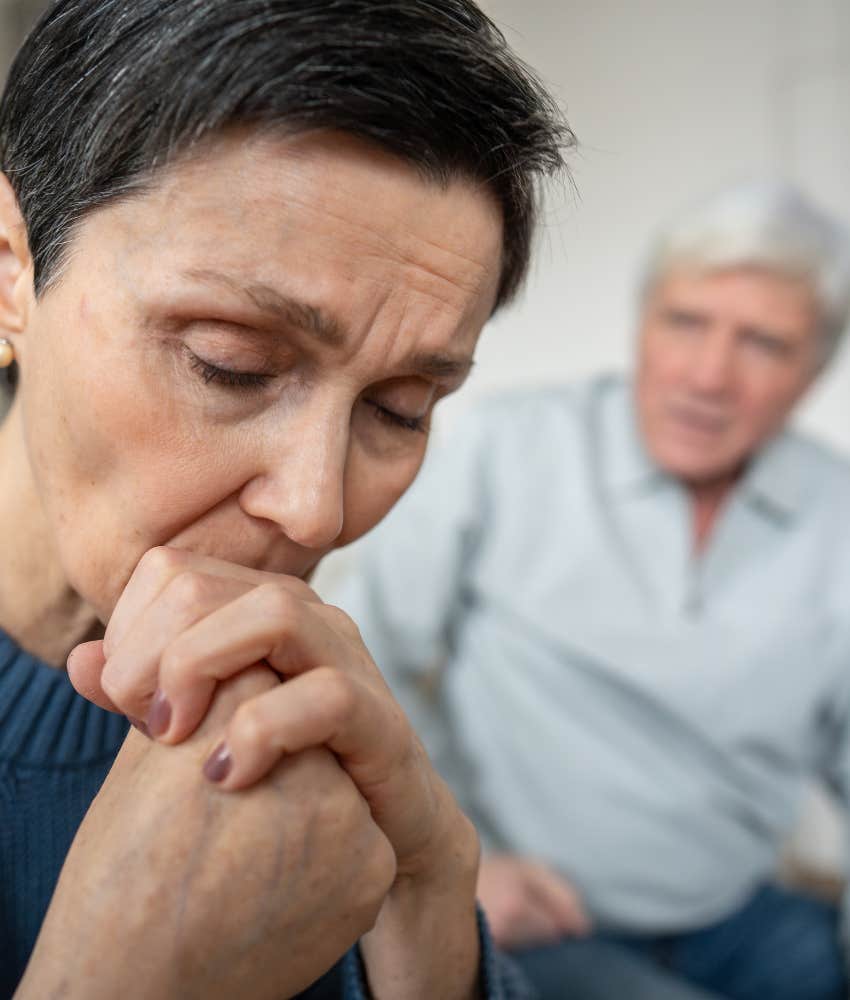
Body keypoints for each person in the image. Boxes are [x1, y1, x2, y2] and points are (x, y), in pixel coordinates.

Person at [0, 1, 571, 997]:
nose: (315, 511)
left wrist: (432, 906)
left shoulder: (303, 724)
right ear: (11, 271)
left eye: (399, 409)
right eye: (231, 364)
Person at [333, 182, 850, 1000]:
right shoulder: (506, 449)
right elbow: (364, 655)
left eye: (763, 344)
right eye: (686, 323)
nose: (709, 376)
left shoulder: (837, 512)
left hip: (737, 912)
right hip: (537, 911)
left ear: (813, 372)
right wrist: (445, 861)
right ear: (643, 323)